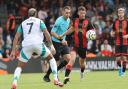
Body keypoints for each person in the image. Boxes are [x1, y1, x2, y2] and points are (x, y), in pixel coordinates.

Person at [10, 8, 63, 89]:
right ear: (36, 14)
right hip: (38, 44)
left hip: (26, 46)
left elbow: (16, 37)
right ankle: (55, 78)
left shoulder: (23, 23)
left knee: (19, 66)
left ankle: (14, 82)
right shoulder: (39, 21)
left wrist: (13, 51)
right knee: (51, 59)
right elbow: (47, 33)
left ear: (28, 14)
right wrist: (51, 46)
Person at [61, 6, 93, 81]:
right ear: (78, 13)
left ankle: (81, 73)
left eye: (84, 13)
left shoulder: (88, 22)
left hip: (84, 46)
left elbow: (92, 32)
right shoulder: (75, 20)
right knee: (72, 59)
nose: (82, 15)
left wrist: (91, 35)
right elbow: (71, 29)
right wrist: (63, 35)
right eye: (81, 13)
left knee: (82, 64)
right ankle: (66, 76)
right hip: (75, 44)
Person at [43, 6, 72, 84]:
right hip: (56, 42)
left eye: (69, 13)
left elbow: (64, 31)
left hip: (63, 42)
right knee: (57, 61)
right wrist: (61, 39)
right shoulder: (59, 21)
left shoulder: (68, 20)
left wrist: (64, 39)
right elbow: (52, 33)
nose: (68, 14)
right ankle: (47, 75)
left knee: (68, 59)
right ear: (63, 13)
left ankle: (55, 70)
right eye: (66, 13)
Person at [111, 5, 128, 76]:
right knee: (117, 60)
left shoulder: (127, 21)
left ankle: (123, 72)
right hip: (117, 42)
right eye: (119, 13)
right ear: (118, 14)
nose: (120, 14)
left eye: (122, 13)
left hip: (124, 42)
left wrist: (127, 35)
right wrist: (112, 33)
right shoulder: (115, 22)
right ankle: (120, 68)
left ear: (124, 14)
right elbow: (112, 31)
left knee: (124, 58)